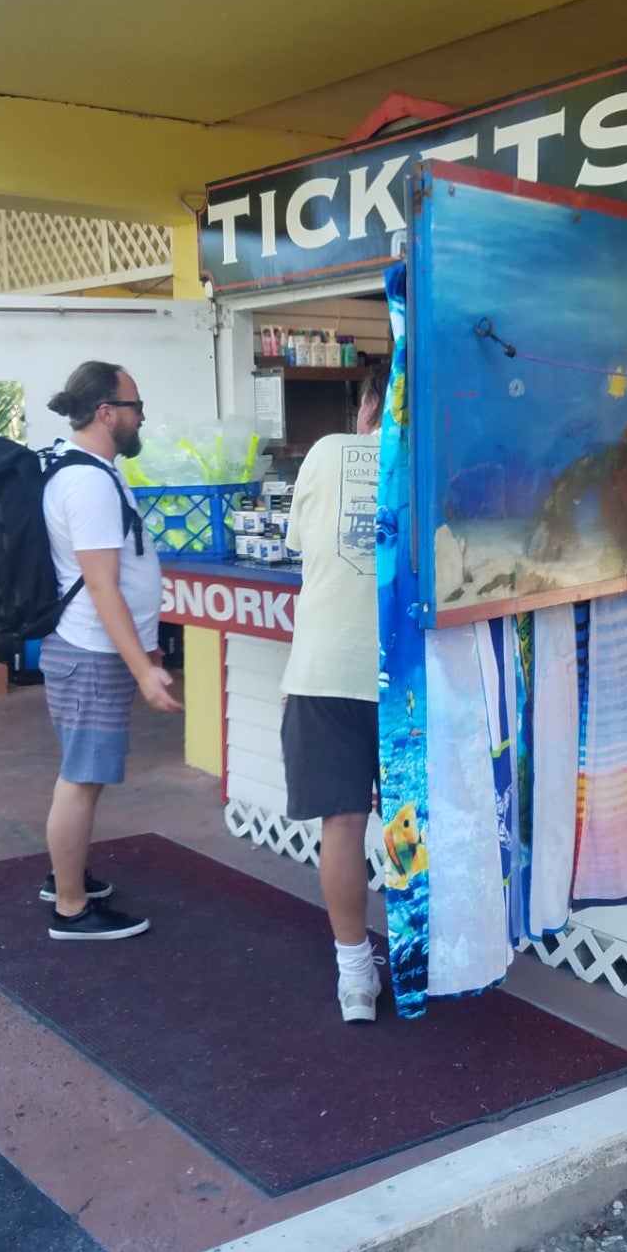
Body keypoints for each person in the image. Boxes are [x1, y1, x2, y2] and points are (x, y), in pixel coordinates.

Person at [38, 359, 182, 940]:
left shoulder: (91, 468)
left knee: (83, 775)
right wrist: (143, 668)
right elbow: (102, 586)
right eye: (135, 406)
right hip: (92, 653)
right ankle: (70, 908)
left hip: (91, 651)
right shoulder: (88, 482)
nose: (141, 416)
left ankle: (67, 877)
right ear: (106, 413)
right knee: (82, 777)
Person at [280, 362, 387, 1020]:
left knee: (342, 824)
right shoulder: (438, 459)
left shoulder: (325, 452)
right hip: (415, 672)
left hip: (327, 667)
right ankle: (427, 956)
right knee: (423, 821)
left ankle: (356, 979)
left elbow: (300, 547)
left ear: (369, 401)